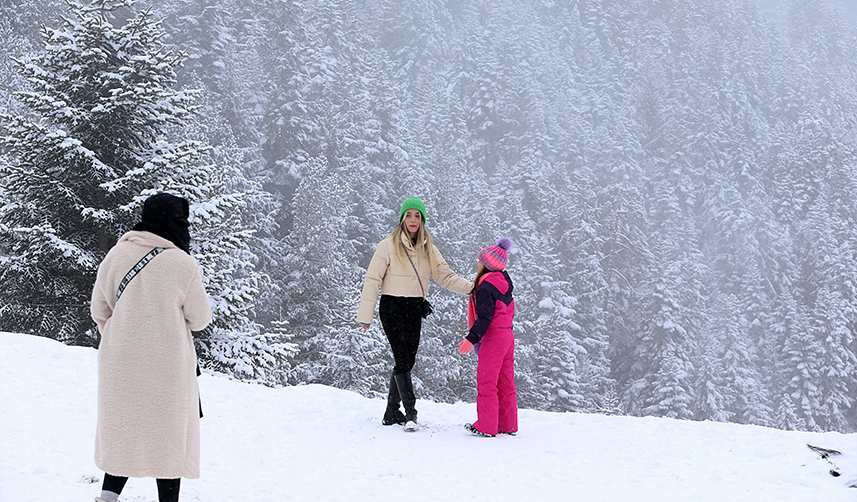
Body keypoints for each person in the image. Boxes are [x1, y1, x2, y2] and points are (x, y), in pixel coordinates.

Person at [90, 193, 212, 502]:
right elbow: (200, 319)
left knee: (124, 428)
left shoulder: (116, 255)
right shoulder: (183, 265)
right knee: (166, 436)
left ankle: (106, 497)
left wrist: (121, 337)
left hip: (119, 362)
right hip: (168, 366)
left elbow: (99, 310)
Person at [357, 197, 473, 431]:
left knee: (407, 360)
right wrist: (365, 316)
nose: (412, 220)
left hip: (414, 308)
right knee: (401, 358)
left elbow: (445, 277)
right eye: (408, 215)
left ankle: (391, 413)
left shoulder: (428, 247)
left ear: (422, 220)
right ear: (402, 218)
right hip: (391, 307)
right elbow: (372, 280)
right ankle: (411, 413)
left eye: (417, 216)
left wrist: (474, 288)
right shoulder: (387, 246)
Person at [458, 238, 518, 437]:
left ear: (487, 265)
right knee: (506, 382)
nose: (477, 263)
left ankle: (486, 425)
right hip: (508, 337)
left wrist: (471, 338)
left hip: (493, 339)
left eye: (480, 260)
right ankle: (507, 424)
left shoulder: (485, 288)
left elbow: (484, 318)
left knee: (487, 382)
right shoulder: (504, 282)